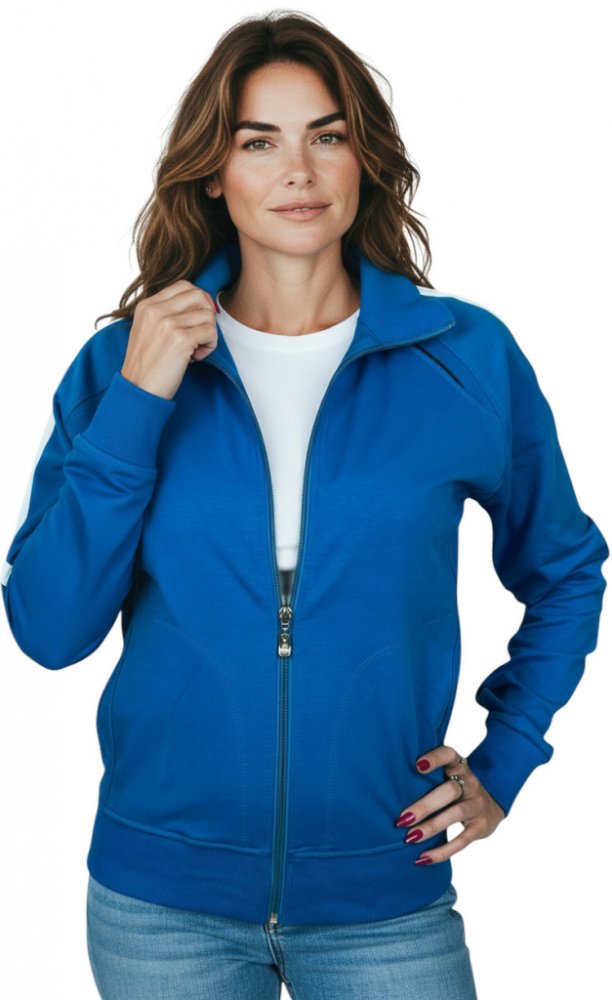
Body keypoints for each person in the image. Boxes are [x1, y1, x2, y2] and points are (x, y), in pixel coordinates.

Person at [2, 10, 608, 1000]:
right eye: (259, 142)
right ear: (213, 170)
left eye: (327, 136)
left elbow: (567, 569)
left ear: (364, 158)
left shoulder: (464, 357)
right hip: (162, 910)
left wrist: (507, 757)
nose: (299, 171)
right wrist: (140, 400)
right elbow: (50, 628)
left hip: (386, 901)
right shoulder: (122, 364)